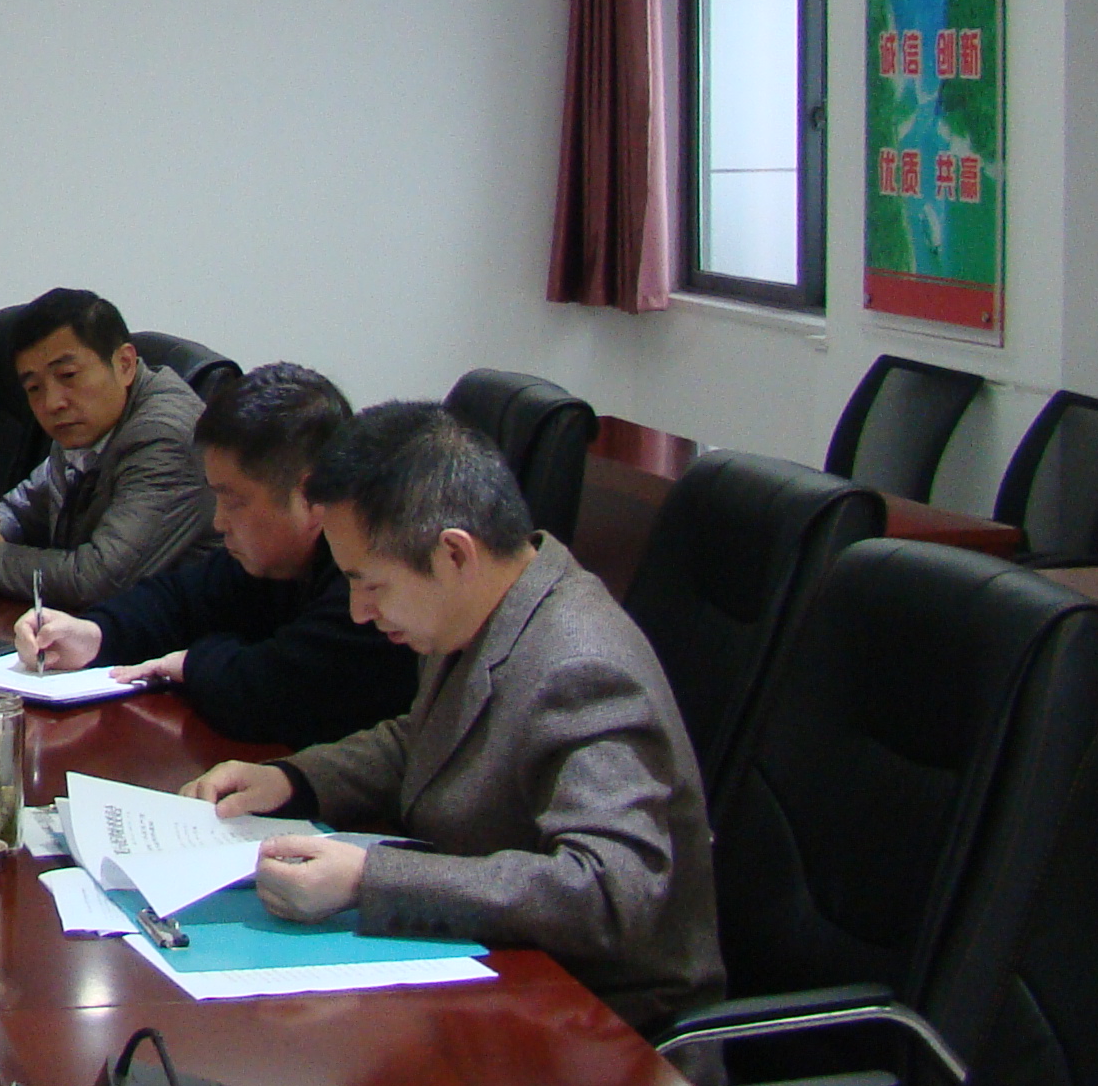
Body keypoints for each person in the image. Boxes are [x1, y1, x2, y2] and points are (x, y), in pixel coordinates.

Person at [185, 402, 724, 1034]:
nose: (358, 612)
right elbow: (428, 738)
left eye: (370, 584)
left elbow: (607, 895)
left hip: (602, 1028)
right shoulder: (484, 606)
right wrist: (292, 779)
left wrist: (371, 879)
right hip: (501, 975)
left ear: (453, 554)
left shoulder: (581, 665)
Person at [12, 362, 416, 747]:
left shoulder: (370, 583)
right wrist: (95, 634)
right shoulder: (272, 560)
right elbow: (180, 601)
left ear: (310, 498)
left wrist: (192, 663)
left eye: (234, 501)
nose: (219, 522)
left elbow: (270, 694)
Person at [0, 286, 213, 610]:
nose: (52, 403)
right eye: (34, 388)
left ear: (124, 364)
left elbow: (98, 579)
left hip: (181, 635)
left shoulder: (165, 438)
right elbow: (26, 505)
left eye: (68, 375)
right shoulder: (90, 423)